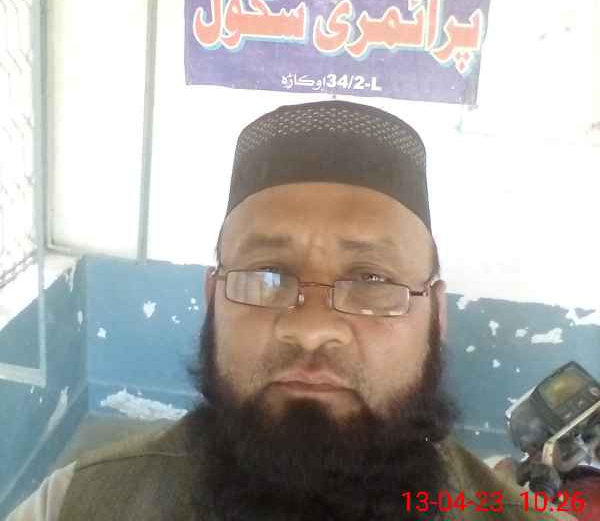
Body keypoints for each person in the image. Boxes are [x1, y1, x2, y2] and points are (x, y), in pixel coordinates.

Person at [7, 100, 562, 521]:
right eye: (266, 274)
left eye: (371, 279)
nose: (312, 329)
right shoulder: (71, 505)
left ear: (436, 318)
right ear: (212, 300)